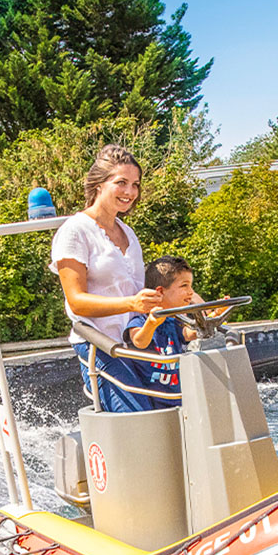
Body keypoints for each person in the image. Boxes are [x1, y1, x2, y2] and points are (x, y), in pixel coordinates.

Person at [50, 144, 163, 412]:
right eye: (121, 183)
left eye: (135, 184)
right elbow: (77, 302)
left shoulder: (128, 233)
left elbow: (139, 293)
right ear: (99, 184)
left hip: (136, 341)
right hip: (99, 345)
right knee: (139, 418)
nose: (130, 192)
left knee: (173, 407)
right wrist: (131, 304)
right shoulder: (74, 232)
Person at [123, 256, 200, 407]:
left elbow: (189, 333)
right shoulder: (140, 322)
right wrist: (151, 323)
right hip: (156, 401)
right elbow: (139, 341)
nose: (191, 292)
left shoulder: (174, 321)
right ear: (160, 291)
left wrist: (211, 320)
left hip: (179, 397)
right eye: (185, 286)